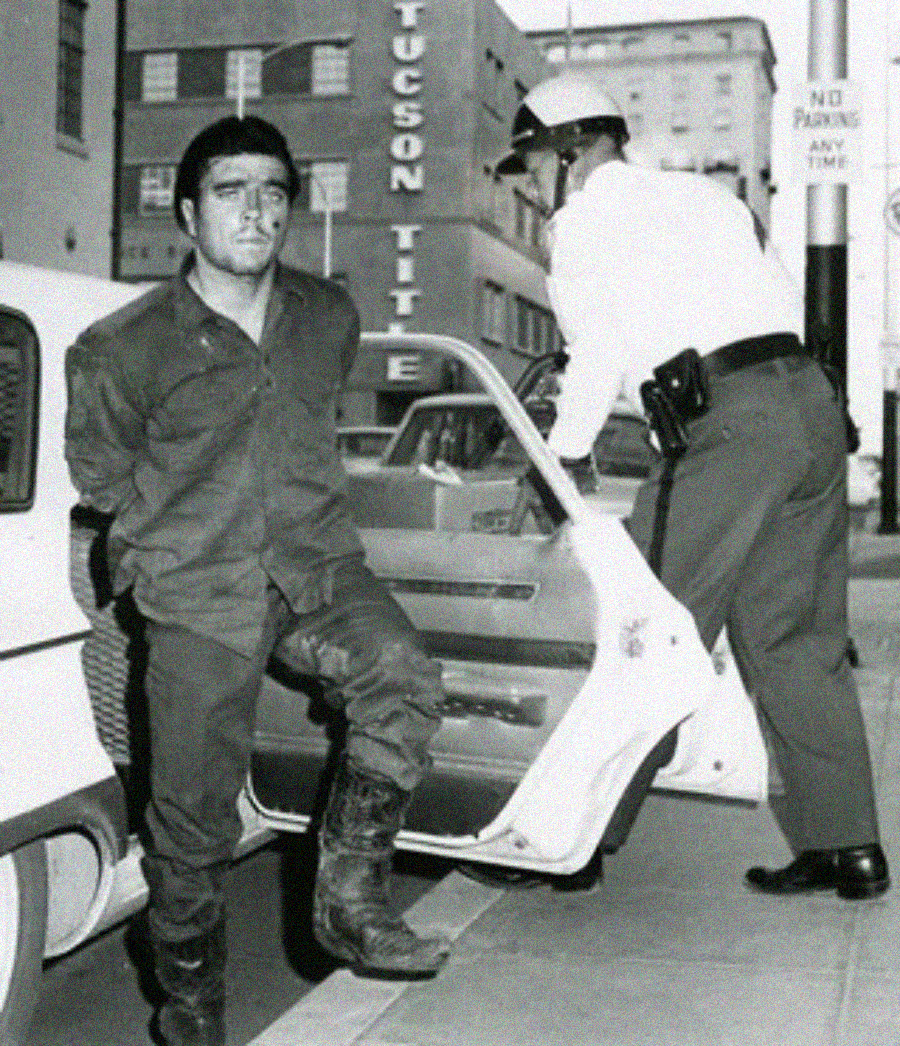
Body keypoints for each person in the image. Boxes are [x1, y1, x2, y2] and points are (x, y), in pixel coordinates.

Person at [65, 114, 449, 1046]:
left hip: (317, 568)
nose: (257, 211)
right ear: (189, 214)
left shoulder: (328, 315)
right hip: (198, 591)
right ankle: (190, 1010)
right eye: (232, 192)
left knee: (402, 673)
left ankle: (350, 898)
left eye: (274, 193)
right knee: (189, 828)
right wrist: (173, 544)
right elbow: (104, 479)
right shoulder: (122, 346)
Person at [496, 69, 889, 902]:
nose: (531, 186)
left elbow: (596, 355)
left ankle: (579, 839)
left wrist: (559, 461)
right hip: (809, 408)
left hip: (728, 426)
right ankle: (847, 844)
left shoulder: (584, 221)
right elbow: (779, 301)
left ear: (571, 151)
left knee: (642, 634)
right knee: (797, 642)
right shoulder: (711, 201)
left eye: (530, 164)